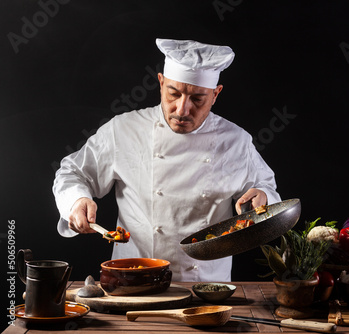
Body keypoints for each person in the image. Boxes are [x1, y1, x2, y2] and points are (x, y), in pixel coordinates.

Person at [53, 38, 281, 282]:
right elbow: (73, 173)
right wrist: (76, 200)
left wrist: (262, 196)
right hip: (135, 280)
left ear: (216, 94)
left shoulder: (236, 141)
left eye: (197, 99)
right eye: (174, 94)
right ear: (161, 83)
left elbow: (265, 190)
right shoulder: (124, 130)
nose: (182, 109)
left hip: (206, 284)